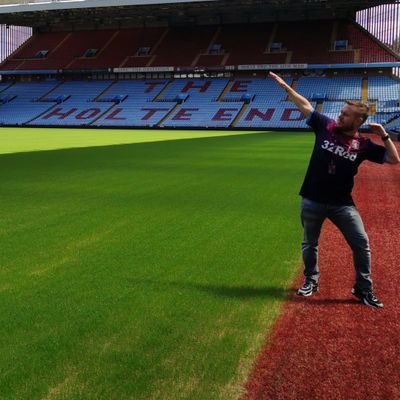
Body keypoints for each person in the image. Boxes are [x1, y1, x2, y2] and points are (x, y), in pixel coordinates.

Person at [269, 71, 400, 308]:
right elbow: (305, 105)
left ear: (358, 121)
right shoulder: (325, 126)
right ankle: (311, 280)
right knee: (310, 243)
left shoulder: (364, 145)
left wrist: (384, 135)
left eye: (345, 115)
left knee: (361, 243)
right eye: (340, 113)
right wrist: (285, 88)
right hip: (312, 199)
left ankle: (363, 288)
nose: (339, 117)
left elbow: (393, 160)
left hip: (342, 204)